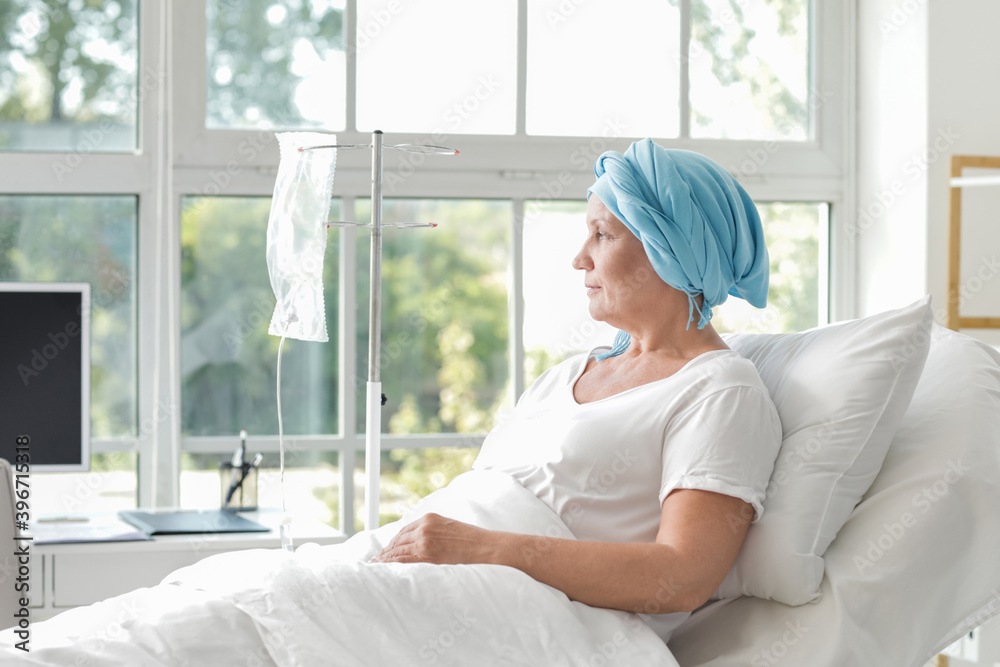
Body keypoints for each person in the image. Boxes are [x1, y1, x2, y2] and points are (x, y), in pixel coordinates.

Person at [372, 138, 783, 643]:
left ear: (672, 251)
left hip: (507, 614)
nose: (578, 259)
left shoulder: (721, 391)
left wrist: (480, 548)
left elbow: (682, 576)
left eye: (602, 235)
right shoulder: (568, 373)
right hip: (415, 571)